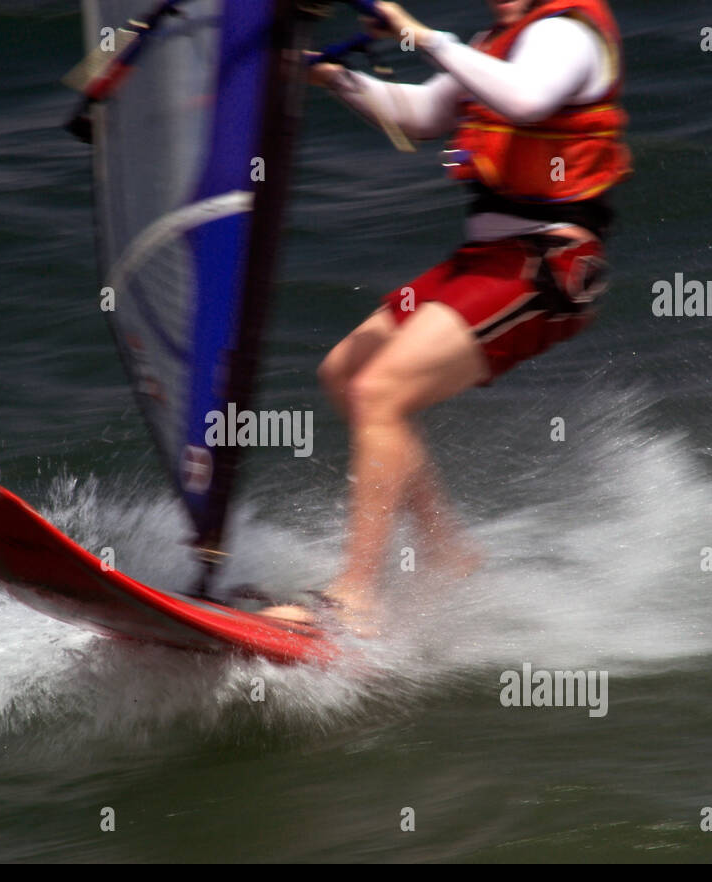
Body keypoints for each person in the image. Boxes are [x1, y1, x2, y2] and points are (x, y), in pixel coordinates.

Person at [264, 0, 631, 630]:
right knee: (344, 372)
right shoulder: (498, 38)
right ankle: (448, 554)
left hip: (546, 263)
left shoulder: (566, 33)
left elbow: (525, 101)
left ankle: (357, 597)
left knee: (380, 391)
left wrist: (420, 35)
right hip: (482, 260)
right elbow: (423, 114)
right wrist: (325, 75)